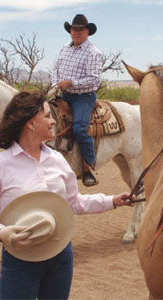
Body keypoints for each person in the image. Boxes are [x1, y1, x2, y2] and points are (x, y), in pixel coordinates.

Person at [0, 91, 133, 299]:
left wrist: (113, 201)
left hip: (61, 255)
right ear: (30, 124)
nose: (52, 121)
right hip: (20, 260)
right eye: (47, 116)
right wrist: (1, 232)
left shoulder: (57, 159)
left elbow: (74, 203)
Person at [52, 13, 103, 186]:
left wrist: (72, 83)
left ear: (87, 31)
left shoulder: (93, 53)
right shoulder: (64, 48)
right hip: (64, 94)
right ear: (70, 31)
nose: (77, 32)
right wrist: (55, 84)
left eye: (81, 30)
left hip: (84, 97)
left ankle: (88, 166)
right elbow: (55, 69)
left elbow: (95, 80)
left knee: (80, 128)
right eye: (74, 29)